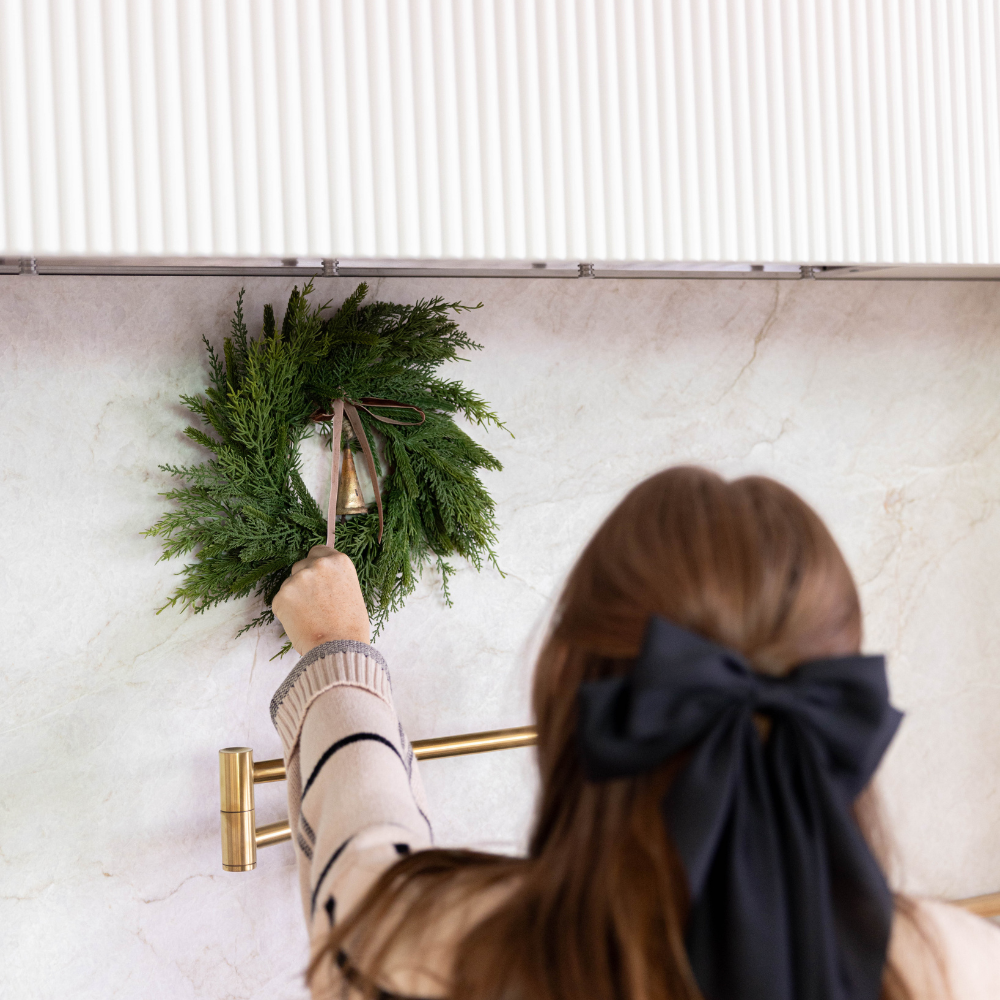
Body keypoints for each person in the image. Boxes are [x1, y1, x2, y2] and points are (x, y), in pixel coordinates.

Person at [271, 467, 1000, 1000]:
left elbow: (361, 865)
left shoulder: (441, 952)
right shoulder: (965, 968)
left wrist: (336, 648)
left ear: (564, 682)